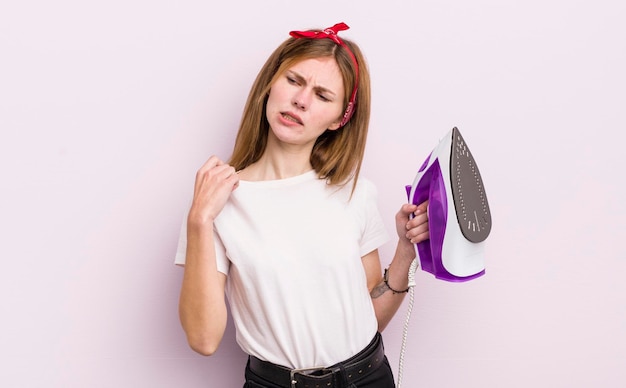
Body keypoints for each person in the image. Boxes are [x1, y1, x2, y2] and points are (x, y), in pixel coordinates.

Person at [175, 22, 430, 388]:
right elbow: (203, 339)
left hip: (369, 378)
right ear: (270, 84)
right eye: (294, 81)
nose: (301, 100)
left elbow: (368, 316)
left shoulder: (354, 191)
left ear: (340, 118)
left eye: (323, 95)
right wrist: (199, 220)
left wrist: (405, 251)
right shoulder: (217, 198)